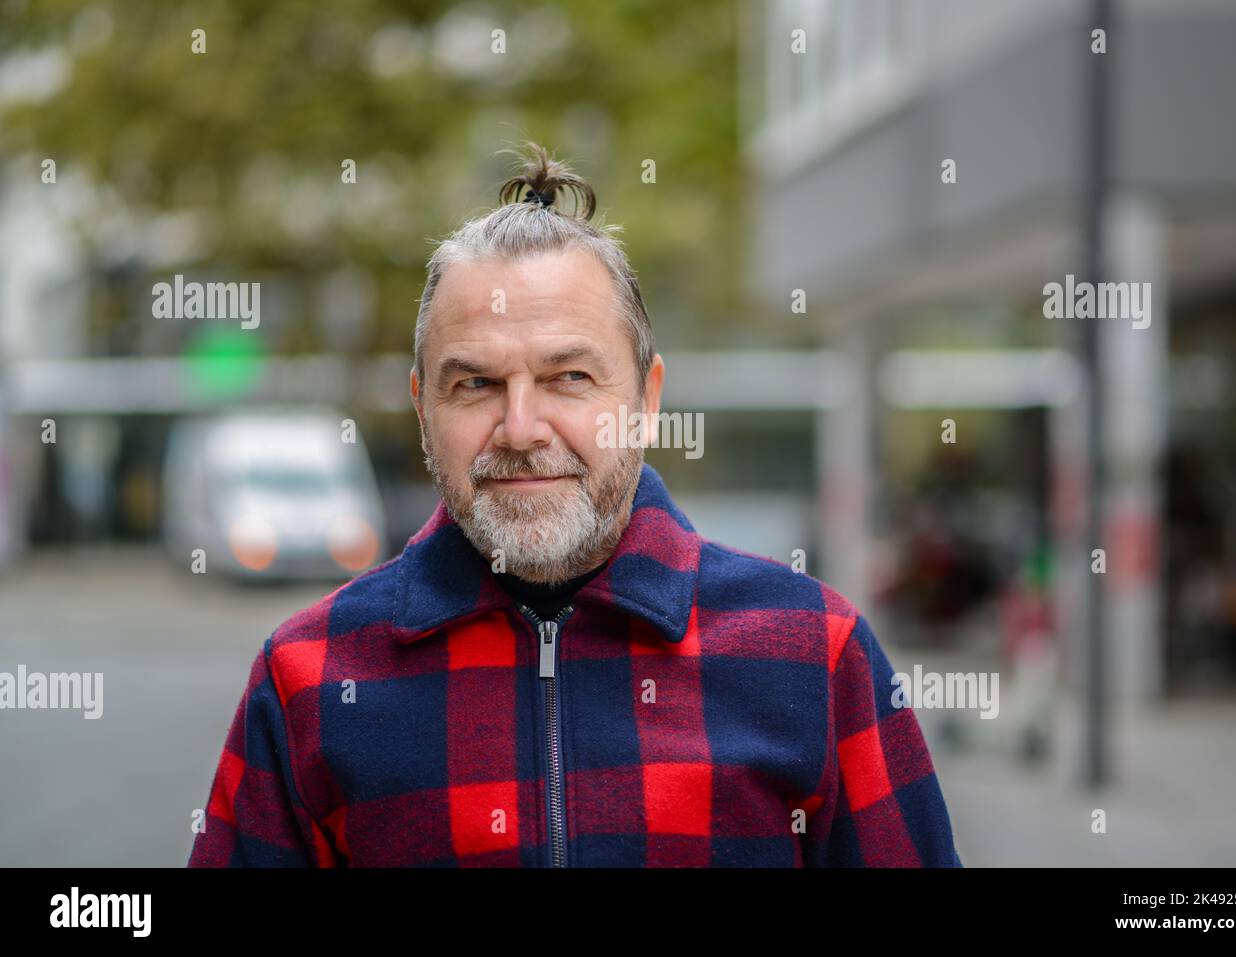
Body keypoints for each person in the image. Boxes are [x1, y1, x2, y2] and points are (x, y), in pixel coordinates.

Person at [187, 142, 961, 867]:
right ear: (423, 407)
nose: (521, 430)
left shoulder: (814, 656)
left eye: (570, 379)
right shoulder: (307, 680)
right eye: (476, 385)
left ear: (648, 398)